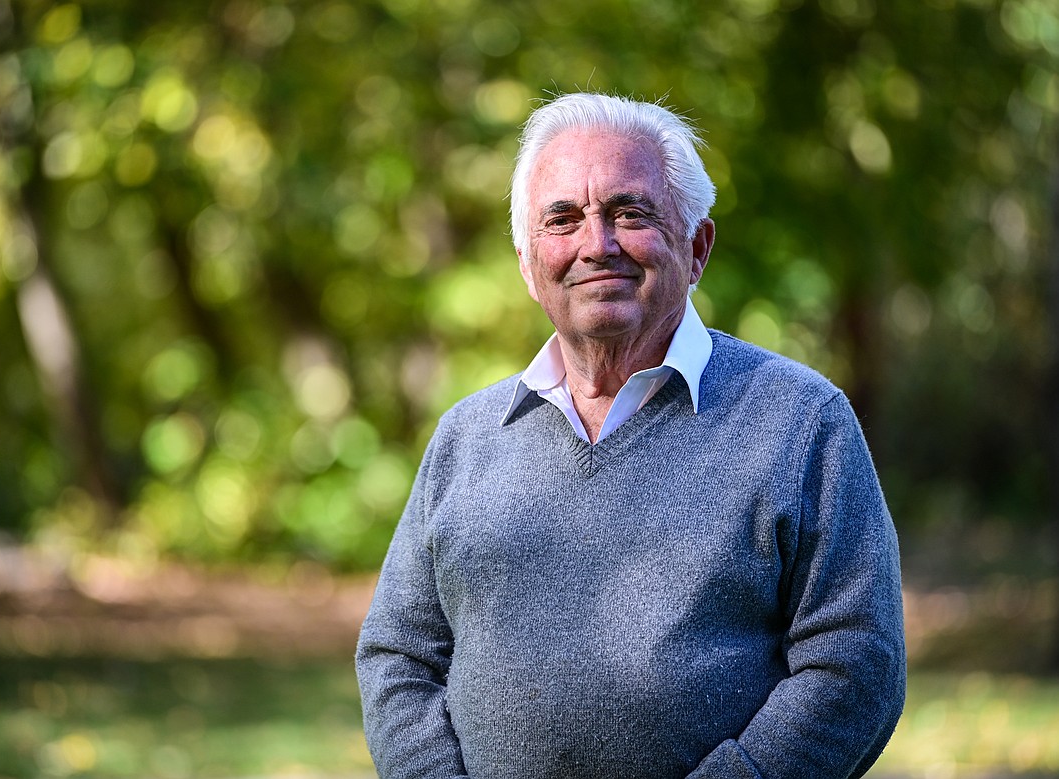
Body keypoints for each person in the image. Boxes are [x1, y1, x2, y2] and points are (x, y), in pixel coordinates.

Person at [355, 92, 905, 779]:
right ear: (529, 265)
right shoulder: (467, 437)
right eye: (563, 219)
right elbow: (398, 656)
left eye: (630, 213)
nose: (597, 244)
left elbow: (856, 663)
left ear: (697, 246)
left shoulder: (800, 420)